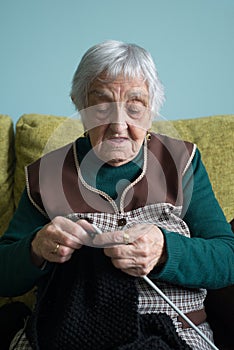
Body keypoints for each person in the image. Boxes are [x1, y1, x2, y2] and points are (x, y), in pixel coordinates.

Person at [0, 40, 233, 350]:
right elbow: (4, 275)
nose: (118, 126)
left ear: (152, 111)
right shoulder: (46, 173)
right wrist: (36, 247)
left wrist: (165, 250)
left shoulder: (182, 162)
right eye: (101, 107)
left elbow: (227, 257)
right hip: (69, 333)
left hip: (175, 330)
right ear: (79, 108)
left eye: (135, 107)